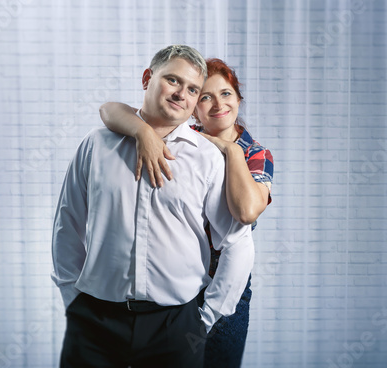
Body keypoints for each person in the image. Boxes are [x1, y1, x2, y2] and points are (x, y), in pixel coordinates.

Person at [51, 46, 255, 368]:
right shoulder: (96, 144)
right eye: (172, 80)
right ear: (148, 78)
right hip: (94, 320)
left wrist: (205, 319)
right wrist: (72, 297)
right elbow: (68, 222)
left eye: (192, 89)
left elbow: (237, 241)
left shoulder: (207, 158)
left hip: (177, 325)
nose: (181, 94)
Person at [99, 58, 274, 368]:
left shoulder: (253, 152)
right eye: (204, 96)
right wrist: (143, 132)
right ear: (193, 106)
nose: (217, 104)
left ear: (238, 99)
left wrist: (229, 150)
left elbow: (246, 212)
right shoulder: (183, 138)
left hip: (225, 287)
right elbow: (110, 110)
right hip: (177, 291)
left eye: (226, 94)